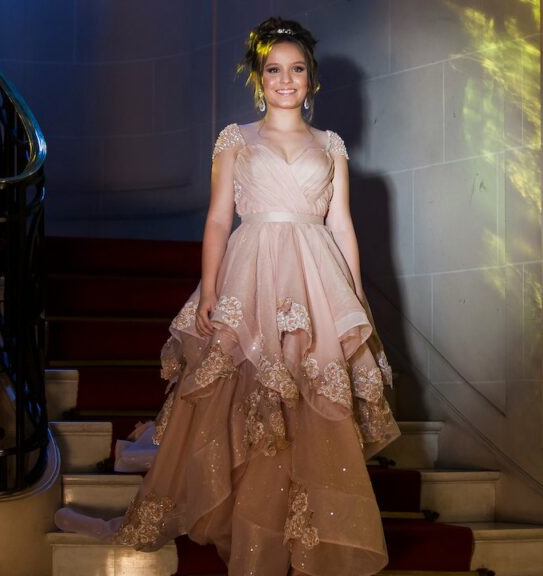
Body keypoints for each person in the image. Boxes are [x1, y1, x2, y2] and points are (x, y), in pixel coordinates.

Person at [54, 16, 401, 576]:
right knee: (247, 397)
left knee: (308, 400)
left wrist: (355, 293)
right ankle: (252, 534)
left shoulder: (331, 145)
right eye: (274, 69)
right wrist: (211, 287)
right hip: (251, 273)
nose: (285, 80)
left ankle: (302, 535)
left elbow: (341, 223)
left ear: (311, 78)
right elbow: (218, 218)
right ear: (258, 78)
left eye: (296, 69)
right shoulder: (236, 139)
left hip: (315, 278)